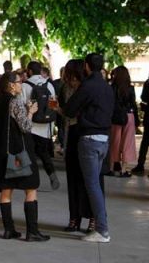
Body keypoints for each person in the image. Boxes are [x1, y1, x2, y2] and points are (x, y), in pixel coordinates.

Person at [0, 72, 49, 242]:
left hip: (0, 154)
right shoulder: (15, 102)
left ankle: (9, 230)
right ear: (11, 85)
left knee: (6, 191)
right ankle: (32, 232)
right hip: (20, 153)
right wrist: (31, 112)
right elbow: (26, 127)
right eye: (19, 82)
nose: (21, 85)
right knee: (31, 188)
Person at [62, 53, 114, 243]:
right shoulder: (107, 87)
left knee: (92, 186)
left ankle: (102, 229)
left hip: (89, 139)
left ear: (86, 66)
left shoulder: (88, 86)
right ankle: (99, 225)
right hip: (104, 139)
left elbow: (69, 110)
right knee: (95, 184)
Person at [58, 59, 97, 234]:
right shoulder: (65, 87)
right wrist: (59, 109)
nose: (68, 77)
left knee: (88, 180)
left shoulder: (87, 87)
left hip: (86, 132)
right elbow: (66, 110)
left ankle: (92, 219)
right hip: (71, 132)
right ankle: (74, 218)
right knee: (73, 179)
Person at [20, 61, 59, 190]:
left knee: (30, 153)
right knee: (43, 153)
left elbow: (21, 105)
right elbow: (53, 105)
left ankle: (32, 181)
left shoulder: (25, 86)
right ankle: (51, 173)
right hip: (45, 127)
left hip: (30, 125)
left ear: (29, 71)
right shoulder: (49, 85)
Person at [107, 66, 138, 177]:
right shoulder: (130, 88)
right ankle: (123, 170)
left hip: (115, 117)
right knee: (127, 143)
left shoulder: (111, 88)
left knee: (114, 142)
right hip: (128, 116)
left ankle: (111, 168)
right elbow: (133, 104)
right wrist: (137, 120)